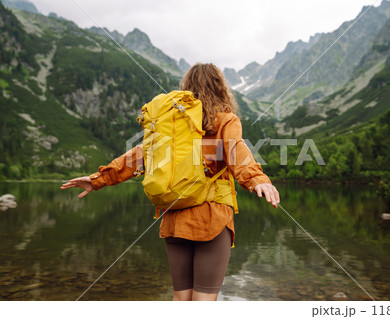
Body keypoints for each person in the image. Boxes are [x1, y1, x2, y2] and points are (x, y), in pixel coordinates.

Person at [61, 63, 280, 301]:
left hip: (174, 218)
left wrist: (97, 180)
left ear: (186, 87)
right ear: (220, 87)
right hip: (211, 218)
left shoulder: (171, 125)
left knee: (180, 299)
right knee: (203, 302)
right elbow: (235, 149)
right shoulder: (225, 120)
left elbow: (139, 155)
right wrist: (257, 180)